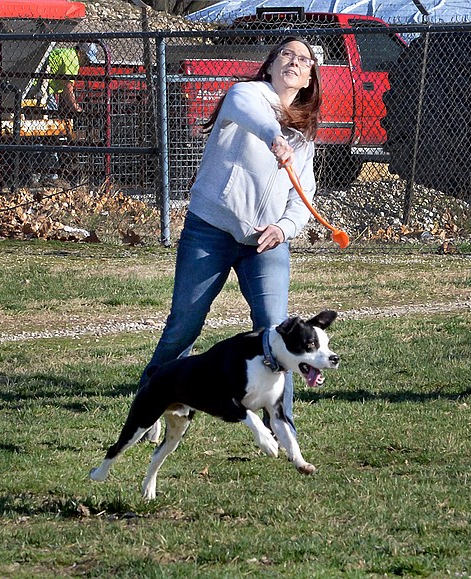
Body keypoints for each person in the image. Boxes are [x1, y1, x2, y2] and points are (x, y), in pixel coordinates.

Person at [140, 37, 322, 439]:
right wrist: (272, 135)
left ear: (310, 77)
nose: (294, 62)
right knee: (184, 326)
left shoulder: (305, 137)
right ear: (271, 65)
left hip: (265, 243)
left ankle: (281, 421)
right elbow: (248, 112)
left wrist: (283, 229)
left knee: (276, 330)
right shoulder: (245, 96)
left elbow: (301, 198)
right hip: (211, 230)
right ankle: (152, 400)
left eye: (304, 60)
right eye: (286, 54)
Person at [34, 42, 100, 186]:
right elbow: (67, 89)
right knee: (51, 132)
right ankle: (49, 174)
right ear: (81, 53)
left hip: (39, 87)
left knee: (46, 132)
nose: (86, 64)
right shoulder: (72, 60)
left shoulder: (64, 53)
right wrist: (78, 109)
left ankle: (41, 172)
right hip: (41, 91)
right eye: (87, 60)